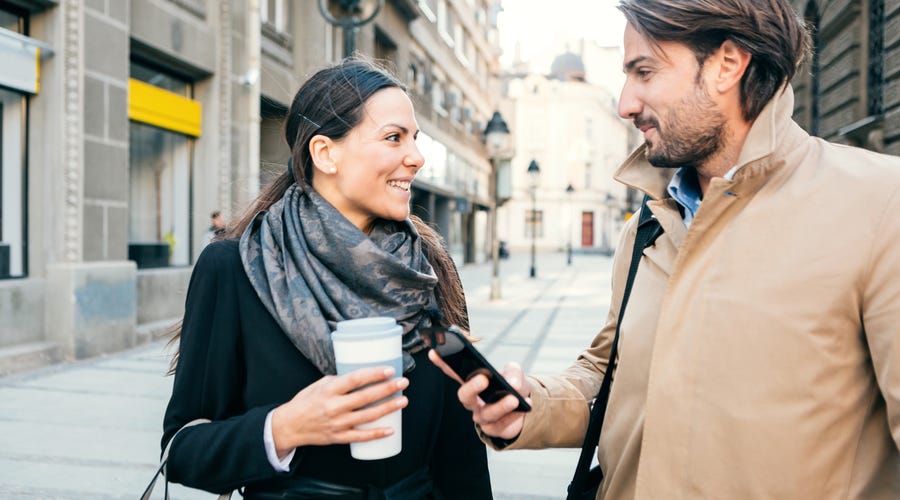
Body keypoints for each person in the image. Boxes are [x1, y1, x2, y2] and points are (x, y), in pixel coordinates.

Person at [432, 1, 900, 498]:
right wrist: (529, 406)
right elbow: (605, 373)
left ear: (726, 64)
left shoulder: (878, 204)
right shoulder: (651, 225)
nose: (625, 103)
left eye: (645, 71)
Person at [161, 59, 492, 499]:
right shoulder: (235, 266)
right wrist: (283, 428)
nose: (415, 157)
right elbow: (181, 450)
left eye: (415, 139)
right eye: (394, 137)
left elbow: (460, 456)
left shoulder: (426, 266)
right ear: (325, 153)